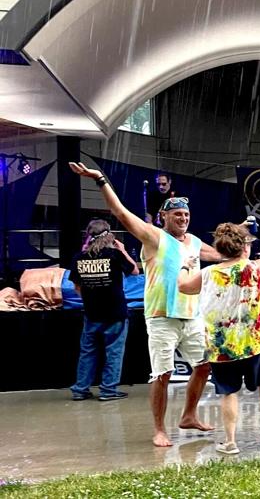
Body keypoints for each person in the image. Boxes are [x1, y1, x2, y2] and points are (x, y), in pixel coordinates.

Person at [69, 161, 225, 447]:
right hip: (161, 316)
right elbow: (120, 212)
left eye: (187, 214)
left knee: (203, 367)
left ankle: (189, 415)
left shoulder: (193, 240)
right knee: (162, 375)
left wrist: (243, 240)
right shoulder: (154, 236)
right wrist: (100, 179)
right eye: (177, 214)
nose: (183, 218)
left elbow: (219, 255)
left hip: (191, 315)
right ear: (164, 216)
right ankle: (159, 429)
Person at [178, 216, 260, 454]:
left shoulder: (208, 274)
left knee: (228, 391)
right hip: (257, 342)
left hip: (222, 346)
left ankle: (230, 441)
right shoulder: (258, 268)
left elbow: (183, 286)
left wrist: (187, 264)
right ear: (245, 247)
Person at [69, 219, 140, 402]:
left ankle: (80, 389)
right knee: (114, 352)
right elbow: (134, 271)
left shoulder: (79, 258)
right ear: (109, 235)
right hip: (115, 312)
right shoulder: (114, 255)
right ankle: (108, 390)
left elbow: (77, 286)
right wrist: (122, 249)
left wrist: (90, 299)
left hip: (92, 312)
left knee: (87, 352)